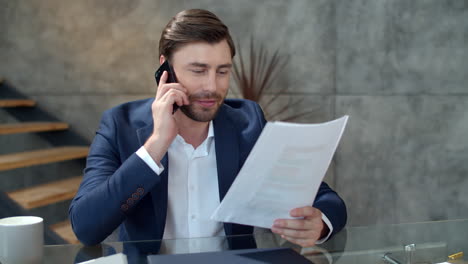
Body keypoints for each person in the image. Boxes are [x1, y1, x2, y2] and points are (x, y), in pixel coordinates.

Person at [69, 9, 347, 250]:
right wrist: (155, 146)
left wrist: (320, 223)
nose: (212, 87)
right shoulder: (120, 125)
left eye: (222, 71)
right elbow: (86, 227)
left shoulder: (248, 122)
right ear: (165, 68)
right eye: (198, 70)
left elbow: (324, 197)